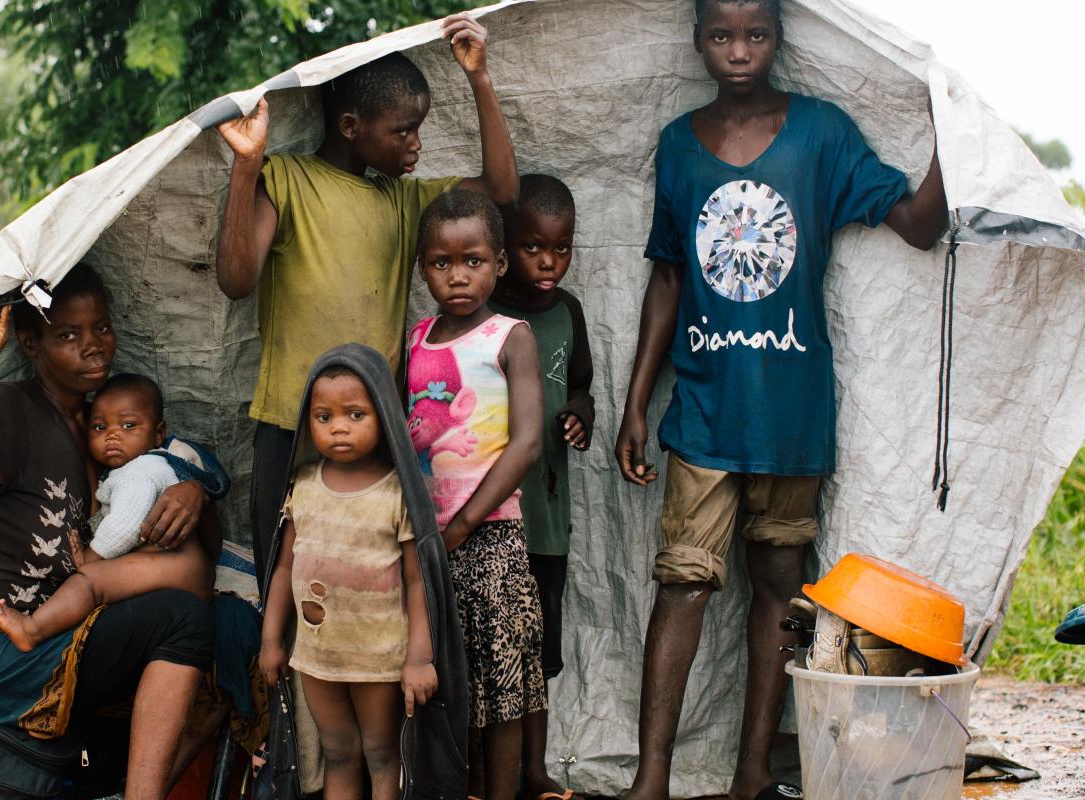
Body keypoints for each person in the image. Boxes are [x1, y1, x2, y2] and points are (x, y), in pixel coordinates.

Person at [613, 2, 949, 799]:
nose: (739, 50)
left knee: (779, 588)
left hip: (793, 416)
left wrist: (949, 130)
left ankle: (752, 774)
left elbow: (920, 225)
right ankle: (650, 778)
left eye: (756, 34)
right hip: (702, 409)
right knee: (684, 584)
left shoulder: (822, 134)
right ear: (697, 42)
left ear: (779, 39)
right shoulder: (677, 144)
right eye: (722, 35)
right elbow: (668, 273)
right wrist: (634, 402)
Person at [0, 266, 219, 800]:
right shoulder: (6, 409)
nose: (93, 348)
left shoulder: (102, 426)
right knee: (182, 622)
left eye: (102, 329)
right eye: (68, 335)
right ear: (31, 343)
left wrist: (193, 493)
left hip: (43, 645)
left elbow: (167, 511)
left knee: (218, 653)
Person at [213, 13, 519, 585]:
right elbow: (236, 278)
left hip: (379, 423)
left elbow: (501, 193)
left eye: (419, 129)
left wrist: (479, 78)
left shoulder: (404, 203)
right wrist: (246, 166)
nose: (416, 144)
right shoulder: (286, 179)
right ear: (351, 125)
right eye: (403, 130)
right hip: (293, 423)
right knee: (286, 575)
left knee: (370, 577)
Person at [406, 189, 544, 800]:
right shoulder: (414, 341)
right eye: (442, 263)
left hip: (489, 536)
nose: (458, 276)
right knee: (446, 676)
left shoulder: (509, 337)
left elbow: (527, 444)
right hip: (424, 542)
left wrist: (460, 526)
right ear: (423, 267)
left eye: (474, 261)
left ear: (499, 264)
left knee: (503, 679)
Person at [259, 362, 436, 800]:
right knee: (338, 753)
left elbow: (418, 583)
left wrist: (418, 659)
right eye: (325, 417)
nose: (339, 428)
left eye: (355, 415)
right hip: (318, 656)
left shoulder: (398, 493)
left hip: (378, 658)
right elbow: (283, 569)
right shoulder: (302, 486)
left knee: (381, 754)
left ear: (384, 416)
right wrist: (271, 641)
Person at [487, 174, 594, 800]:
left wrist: (579, 415)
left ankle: (533, 769)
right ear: (505, 247)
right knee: (489, 643)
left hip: (547, 513)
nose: (549, 261)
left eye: (562, 247)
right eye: (533, 247)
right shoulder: (487, 309)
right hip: (490, 510)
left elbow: (580, 383)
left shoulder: (569, 312)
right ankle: (486, 772)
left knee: (536, 648)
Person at [0, 373, 228, 653]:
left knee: (89, 584)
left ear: (158, 433)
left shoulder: (141, 472)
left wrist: (90, 559)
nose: (113, 435)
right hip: (182, 571)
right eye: (100, 427)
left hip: (175, 569)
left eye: (129, 425)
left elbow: (125, 527)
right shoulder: (136, 470)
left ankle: (32, 630)